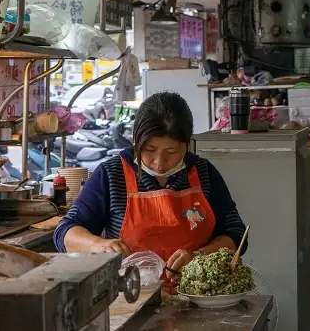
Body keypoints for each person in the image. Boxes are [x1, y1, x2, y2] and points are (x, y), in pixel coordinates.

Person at [54, 92, 247, 291]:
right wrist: (97, 245)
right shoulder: (112, 174)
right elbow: (65, 232)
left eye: (171, 152)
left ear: (187, 145)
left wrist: (200, 256)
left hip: (196, 297)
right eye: (149, 149)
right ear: (137, 140)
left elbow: (236, 233)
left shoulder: (205, 173)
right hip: (129, 298)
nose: (159, 162)